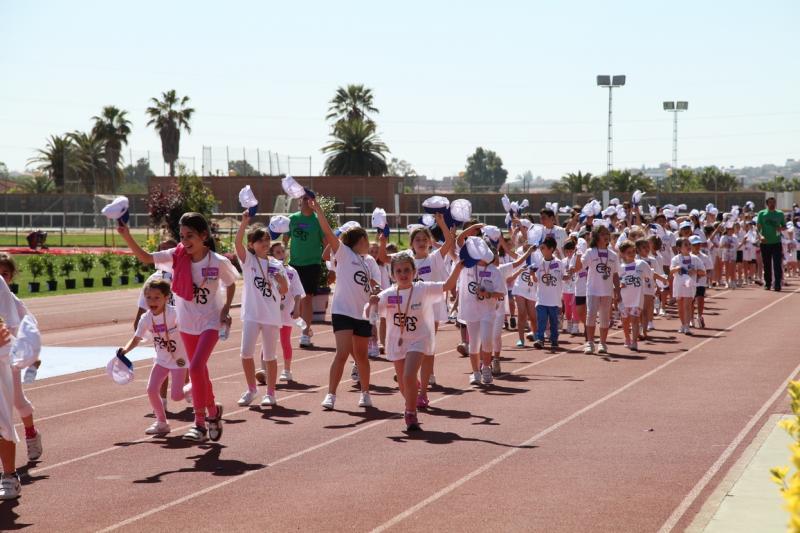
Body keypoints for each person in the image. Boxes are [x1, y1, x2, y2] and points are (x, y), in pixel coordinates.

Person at [118, 213, 238, 443]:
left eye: (190, 236)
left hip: (210, 323)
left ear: (204, 235)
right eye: (182, 236)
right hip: (187, 323)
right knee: (200, 372)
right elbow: (145, 257)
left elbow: (231, 284)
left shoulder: (217, 262)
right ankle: (213, 412)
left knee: (196, 367)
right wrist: (127, 236)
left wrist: (225, 310)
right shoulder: (176, 256)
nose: (185, 242)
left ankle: (199, 423)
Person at [368, 253, 461, 430]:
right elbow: (370, 316)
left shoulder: (422, 288)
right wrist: (372, 302)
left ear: (414, 271)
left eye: (407, 270)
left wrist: (459, 267)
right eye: (399, 271)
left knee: (408, 375)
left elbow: (448, 285)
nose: (403, 274)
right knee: (404, 384)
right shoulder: (387, 295)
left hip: (419, 338)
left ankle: (410, 413)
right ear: (392, 274)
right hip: (397, 341)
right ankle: (412, 397)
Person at [312, 200, 381, 410]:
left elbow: (377, 283)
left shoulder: (369, 261)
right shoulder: (343, 253)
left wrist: (376, 289)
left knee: (361, 355)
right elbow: (328, 233)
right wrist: (319, 211)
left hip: (362, 313)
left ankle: (365, 393)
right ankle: (331, 395)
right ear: (356, 241)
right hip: (342, 310)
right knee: (342, 353)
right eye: (365, 239)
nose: (368, 243)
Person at [118, 279, 188, 435]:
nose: (152, 301)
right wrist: (125, 349)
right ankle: (162, 423)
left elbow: (190, 327)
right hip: (162, 360)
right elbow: (136, 338)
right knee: (151, 390)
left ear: (166, 297)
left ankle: (197, 386)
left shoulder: (175, 313)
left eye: (157, 297)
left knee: (177, 396)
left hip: (179, 360)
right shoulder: (146, 318)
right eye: (148, 297)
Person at [234, 211, 288, 408]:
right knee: (245, 353)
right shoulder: (248, 261)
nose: (265, 244)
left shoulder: (275, 264)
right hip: (251, 315)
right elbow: (237, 244)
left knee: (270, 356)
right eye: (260, 241)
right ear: (252, 245)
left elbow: (284, 290)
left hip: (271, 316)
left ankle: (271, 393)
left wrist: (280, 279)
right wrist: (243, 223)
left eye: (267, 240)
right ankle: (251, 389)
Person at [0, 254, 42, 461]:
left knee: (17, 400)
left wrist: (32, 356)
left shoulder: (14, 302)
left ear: (11, 277)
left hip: (12, 358)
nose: (1, 277)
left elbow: (30, 328)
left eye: (5, 274)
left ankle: (31, 434)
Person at [284, 193, 326, 347]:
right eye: (303, 199)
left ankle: (305, 333)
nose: (305, 202)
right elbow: (285, 239)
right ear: (299, 201)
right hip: (294, 264)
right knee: (292, 298)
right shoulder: (292, 219)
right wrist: (282, 257)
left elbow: (326, 241)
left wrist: (328, 263)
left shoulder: (317, 220)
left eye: (309, 199)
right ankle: (286, 328)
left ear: (313, 201)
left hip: (312, 264)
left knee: (307, 298)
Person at [575, 225, 619, 354]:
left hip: (607, 291)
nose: (606, 236)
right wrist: (578, 253)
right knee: (591, 316)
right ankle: (589, 342)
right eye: (602, 233)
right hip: (593, 290)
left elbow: (615, 274)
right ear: (596, 236)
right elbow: (578, 268)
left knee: (605, 318)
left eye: (607, 233)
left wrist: (617, 290)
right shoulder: (590, 252)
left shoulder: (613, 255)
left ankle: (603, 343)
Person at [531, 237, 567, 349]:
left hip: (554, 299)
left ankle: (554, 339)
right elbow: (536, 280)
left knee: (553, 322)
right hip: (541, 298)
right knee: (541, 320)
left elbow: (563, 276)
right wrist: (532, 275)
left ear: (551, 249)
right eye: (541, 248)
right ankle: (540, 339)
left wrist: (568, 275)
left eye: (543, 248)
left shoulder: (558, 263)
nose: (541, 250)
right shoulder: (538, 263)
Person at [617, 240, 652, 351]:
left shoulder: (641, 264)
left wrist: (661, 280)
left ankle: (634, 342)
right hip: (624, 299)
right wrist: (619, 285)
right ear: (622, 254)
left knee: (635, 320)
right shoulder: (620, 268)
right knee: (625, 320)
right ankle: (627, 338)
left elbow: (650, 275)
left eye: (633, 251)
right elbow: (615, 282)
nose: (632, 254)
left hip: (637, 299)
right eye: (628, 252)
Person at [670, 237, 705, 334]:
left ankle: (687, 326)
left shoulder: (695, 258)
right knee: (680, 306)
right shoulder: (675, 259)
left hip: (690, 286)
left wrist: (695, 271)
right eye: (685, 245)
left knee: (687, 305)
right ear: (679, 248)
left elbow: (703, 272)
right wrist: (678, 268)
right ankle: (683, 324)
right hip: (678, 285)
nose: (689, 246)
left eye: (689, 244)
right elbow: (671, 271)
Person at [757, 197, 786, 291]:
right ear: (767, 204)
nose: (772, 204)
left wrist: (781, 229)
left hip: (776, 242)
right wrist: (760, 236)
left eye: (774, 202)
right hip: (765, 243)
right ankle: (768, 283)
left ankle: (777, 284)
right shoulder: (762, 214)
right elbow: (758, 228)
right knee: (767, 264)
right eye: (770, 202)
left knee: (777, 264)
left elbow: (784, 226)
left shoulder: (780, 214)